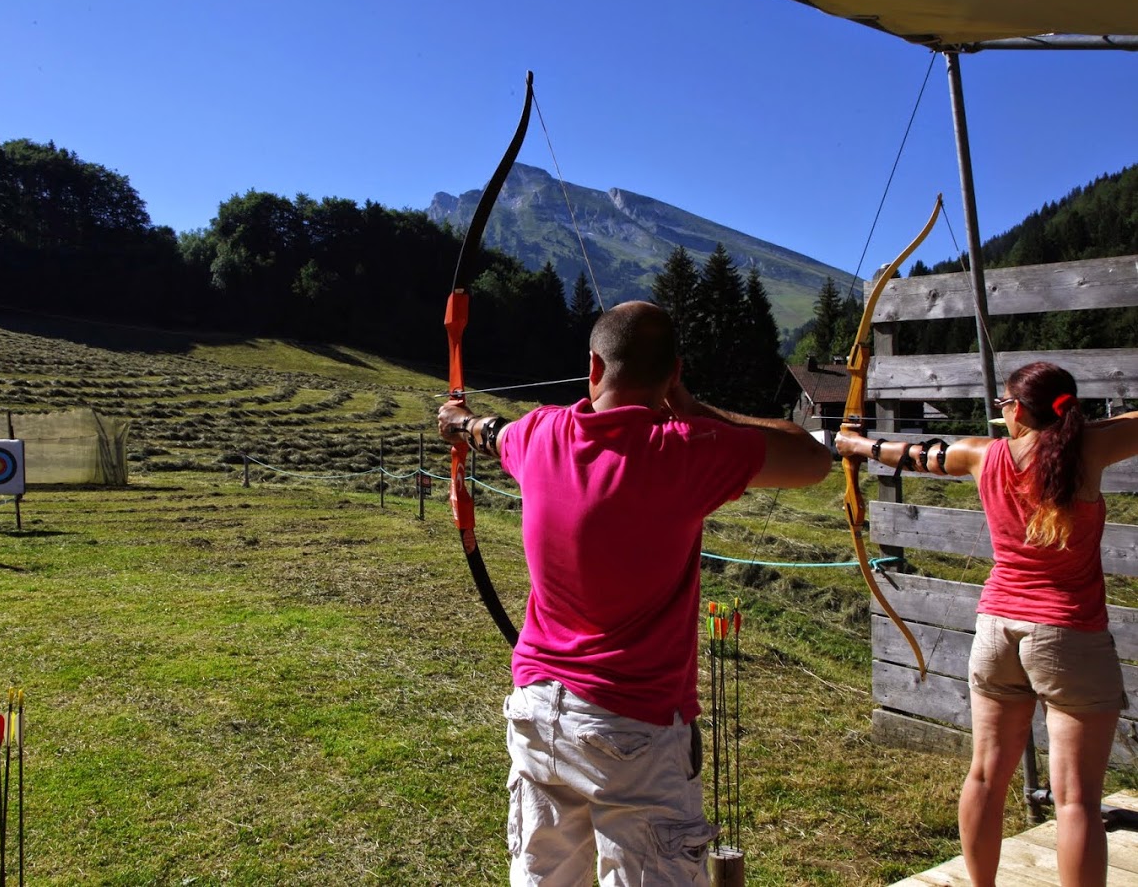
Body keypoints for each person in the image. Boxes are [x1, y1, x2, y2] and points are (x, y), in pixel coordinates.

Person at [437, 300, 831, 886]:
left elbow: (491, 432)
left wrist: (459, 422)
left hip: (538, 711)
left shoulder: (541, 434)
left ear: (593, 368)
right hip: (636, 730)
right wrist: (696, 408)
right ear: (673, 373)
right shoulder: (689, 449)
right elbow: (813, 458)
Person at [835, 361, 1138, 887]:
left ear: (1018, 409)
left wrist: (855, 447)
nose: (1001, 414)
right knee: (1077, 801)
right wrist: (1086, 423)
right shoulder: (1089, 448)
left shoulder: (984, 454)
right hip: (1067, 636)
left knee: (984, 776)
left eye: (1004, 405)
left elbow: (916, 456)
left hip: (997, 630)